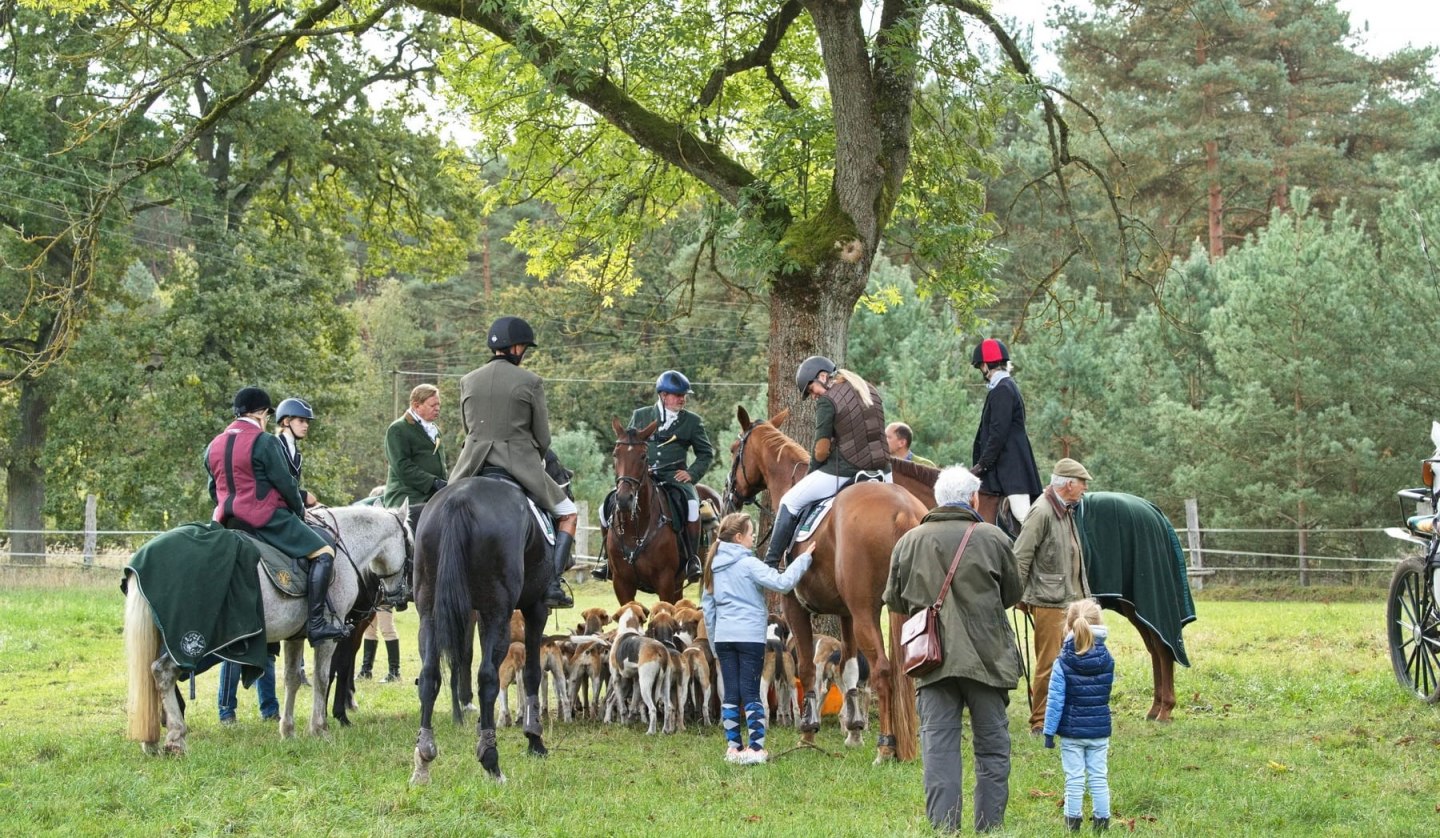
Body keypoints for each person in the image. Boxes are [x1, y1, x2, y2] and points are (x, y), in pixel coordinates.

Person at [885, 465, 1023, 833]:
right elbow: (1013, 594)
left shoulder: (909, 541)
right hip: (988, 660)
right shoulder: (994, 538)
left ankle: (945, 829)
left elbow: (895, 601)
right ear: (973, 499)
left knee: (939, 753)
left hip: (930, 661)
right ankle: (988, 828)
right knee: (992, 750)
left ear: (938, 499)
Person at [450, 316, 578, 608]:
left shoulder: (467, 380)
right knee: (569, 513)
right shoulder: (531, 381)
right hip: (519, 464)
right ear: (517, 348)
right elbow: (543, 437)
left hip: (472, 464)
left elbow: (468, 428)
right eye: (525, 349)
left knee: (436, 507)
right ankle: (553, 584)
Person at [205, 387, 349, 643]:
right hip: (265, 520)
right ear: (261, 413)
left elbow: (213, 490)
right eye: (266, 415)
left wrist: (231, 505)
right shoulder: (264, 441)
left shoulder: (214, 444)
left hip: (226, 520)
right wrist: (299, 512)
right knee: (324, 551)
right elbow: (286, 485)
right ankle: (316, 623)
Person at [701, 512, 813, 765]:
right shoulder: (749, 564)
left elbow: (708, 610)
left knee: (731, 693)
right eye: (751, 534)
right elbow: (783, 583)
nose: (753, 538)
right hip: (749, 636)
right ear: (739, 537)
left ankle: (733, 748)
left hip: (723, 638)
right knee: (751, 692)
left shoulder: (712, 566)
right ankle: (755, 748)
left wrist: (714, 643)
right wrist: (804, 558)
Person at [763, 356, 889, 568]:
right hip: (883, 471)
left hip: (846, 470)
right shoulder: (869, 390)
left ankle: (770, 563)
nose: (813, 396)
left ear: (823, 376)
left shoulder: (827, 401)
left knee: (790, 501)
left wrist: (814, 469)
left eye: (811, 390)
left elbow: (821, 451)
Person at [594, 370, 715, 584]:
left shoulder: (692, 422)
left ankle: (692, 559)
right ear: (663, 395)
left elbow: (706, 453)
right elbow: (629, 444)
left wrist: (692, 473)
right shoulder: (641, 416)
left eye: (684, 395)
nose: (682, 399)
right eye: (677, 395)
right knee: (604, 509)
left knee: (693, 506)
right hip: (640, 477)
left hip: (675, 477)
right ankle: (608, 561)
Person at [1014, 457, 1093, 735]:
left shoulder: (1065, 510)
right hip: (1049, 602)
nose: (1084, 489)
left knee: (1072, 660)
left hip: (1069, 601)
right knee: (1048, 663)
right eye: (1082, 483)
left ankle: (1062, 715)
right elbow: (1021, 557)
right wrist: (1017, 595)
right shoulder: (1043, 511)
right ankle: (1040, 722)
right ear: (1069, 484)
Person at [1043, 598, 1114, 833]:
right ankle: (1102, 824)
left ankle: (1073, 825)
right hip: (1099, 731)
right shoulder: (1108, 660)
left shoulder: (1063, 662)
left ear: (1068, 626)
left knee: (1074, 779)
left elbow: (1054, 702)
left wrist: (1049, 732)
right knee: (1098, 778)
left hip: (1072, 734)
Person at [970, 339, 1042, 529]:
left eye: (980, 368)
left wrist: (981, 465)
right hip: (1004, 466)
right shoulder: (1003, 387)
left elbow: (997, 434)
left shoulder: (1003, 389)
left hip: (1012, 468)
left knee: (1022, 514)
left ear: (985, 366)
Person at [383, 383, 448, 532]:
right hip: (408, 497)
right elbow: (402, 467)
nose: (437, 408)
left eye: (439, 404)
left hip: (433, 495)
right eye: (432, 405)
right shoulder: (398, 429)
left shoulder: (434, 429)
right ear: (416, 405)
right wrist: (433, 482)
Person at [275, 398, 319, 508]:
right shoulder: (275, 446)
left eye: (307, 421)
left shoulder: (297, 453)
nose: (306, 425)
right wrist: (304, 496)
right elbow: (278, 485)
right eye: (301, 420)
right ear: (286, 421)